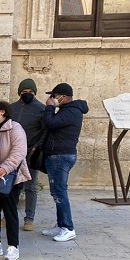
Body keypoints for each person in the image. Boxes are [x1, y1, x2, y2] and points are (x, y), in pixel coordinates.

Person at [0, 100, 32, 260]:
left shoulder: (14, 128)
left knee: (9, 212)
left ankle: (13, 247)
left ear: (2, 112)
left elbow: (19, 151)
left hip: (10, 178)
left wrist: (6, 167)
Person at [41, 83, 89, 242]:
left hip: (61, 156)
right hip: (57, 155)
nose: (52, 99)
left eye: (54, 96)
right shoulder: (66, 110)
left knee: (60, 192)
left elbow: (50, 123)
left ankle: (68, 228)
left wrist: (49, 108)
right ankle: (61, 224)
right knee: (56, 192)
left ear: (64, 97)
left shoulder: (72, 111)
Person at [9, 78, 46, 231]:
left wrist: (36, 147)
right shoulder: (11, 108)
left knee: (30, 187)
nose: (27, 94)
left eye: (30, 92)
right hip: (13, 153)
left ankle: (29, 219)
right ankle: (8, 216)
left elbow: (45, 131)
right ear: (19, 93)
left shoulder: (42, 109)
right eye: (24, 92)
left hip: (31, 153)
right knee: (11, 186)